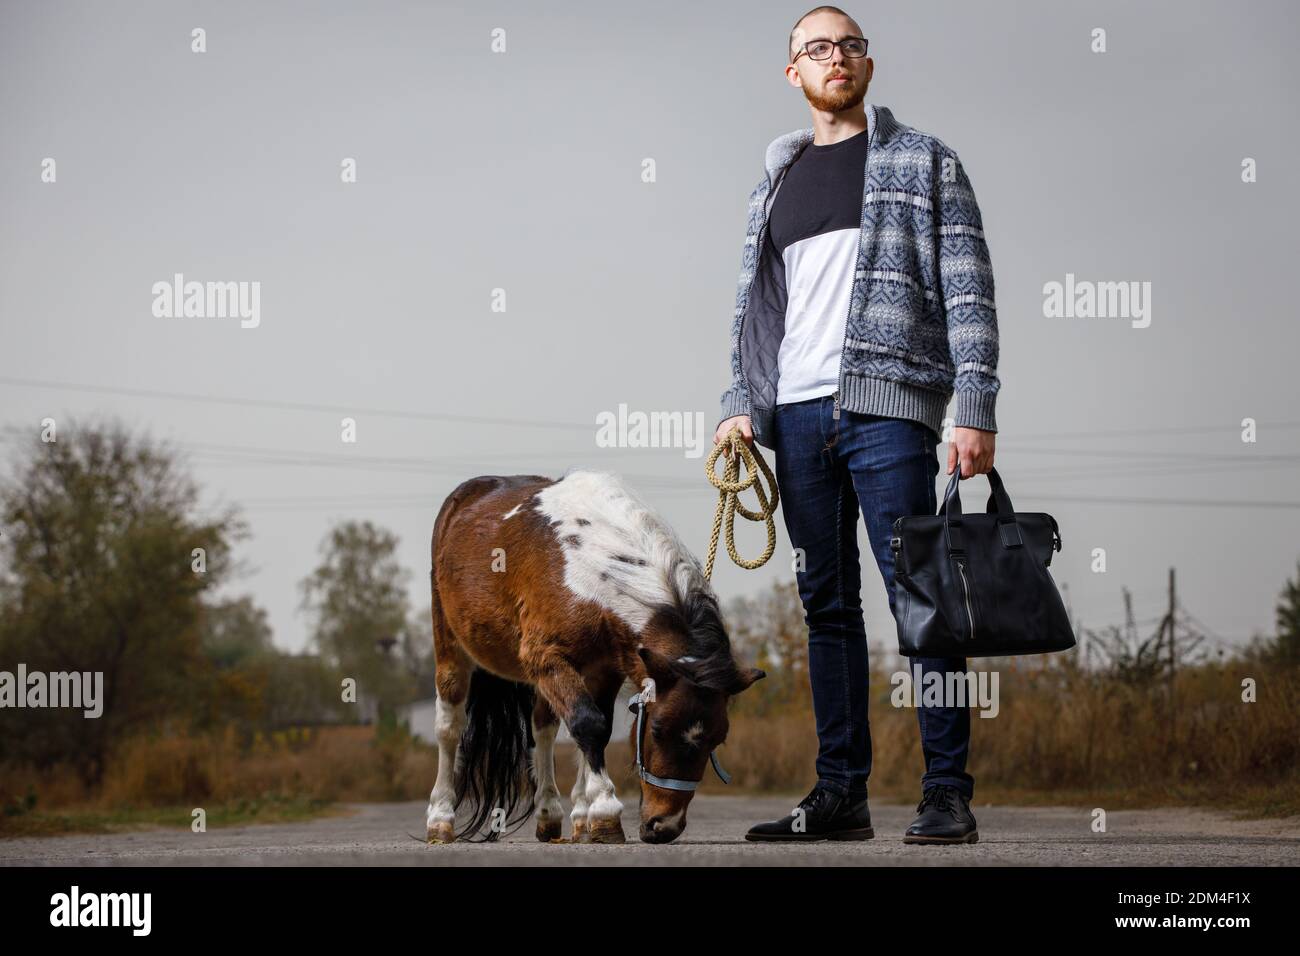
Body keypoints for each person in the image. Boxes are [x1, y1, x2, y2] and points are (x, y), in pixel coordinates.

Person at [716, 5, 999, 844]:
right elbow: (754, 310)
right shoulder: (776, 180)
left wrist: (974, 404)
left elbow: (970, 289)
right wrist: (739, 404)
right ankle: (840, 793)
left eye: (849, 45)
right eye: (817, 48)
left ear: (866, 64)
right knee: (826, 607)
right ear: (793, 71)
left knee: (923, 599)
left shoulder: (922, 160)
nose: (835, 58)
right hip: (796, 421)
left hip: (889, 411)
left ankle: (947, 791)